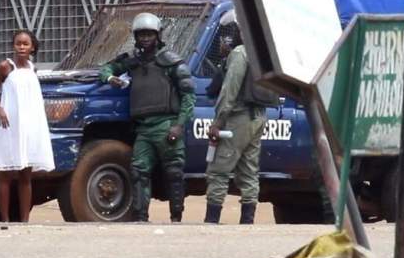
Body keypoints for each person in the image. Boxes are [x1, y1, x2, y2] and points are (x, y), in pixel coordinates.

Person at [99, 13, 195, 222]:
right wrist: (110, 78)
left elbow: (188, 98)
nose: (145, 38)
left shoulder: (173, 63)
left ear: (158, 35)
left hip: (167, 125)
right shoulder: (133, 60)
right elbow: (107, 68)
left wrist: (178, 125)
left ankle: (176, 218)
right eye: (141, 34)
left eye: (149, 34)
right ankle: (141, 217)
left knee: (174, 174)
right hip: (144, 128)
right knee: (138, 172)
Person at [203, 11, 277, 224]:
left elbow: (229, 91)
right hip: (259, 117)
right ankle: (247, 223)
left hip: (239, 119)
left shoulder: (240, 53)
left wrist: (217, 123)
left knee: (218, 170)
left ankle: (212, 221)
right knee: (249, 172)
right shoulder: (264, 53)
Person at [0, 30, 55, 223]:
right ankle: (5, 220)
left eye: (26, 44)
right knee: (5, 174)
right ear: (13, 45)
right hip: (8, 126)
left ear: (32, 47)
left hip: (28, 128)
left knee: (26, 175)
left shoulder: (32, 68)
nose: (22, 47)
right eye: (18, 43)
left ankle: (25, 220)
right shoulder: (5, 67)